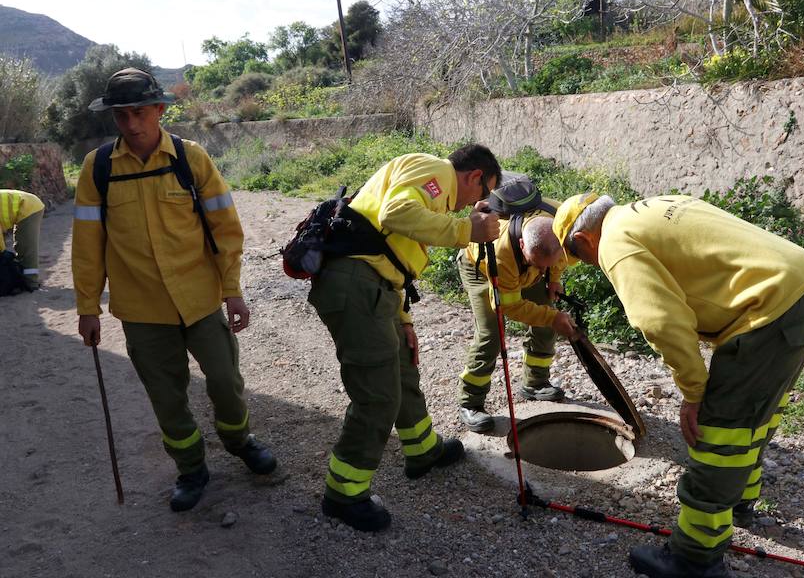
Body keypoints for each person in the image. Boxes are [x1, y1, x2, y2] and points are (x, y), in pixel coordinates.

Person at [552, 193, 804, 578]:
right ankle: (738, 501)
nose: (593, 265)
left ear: (584, 239)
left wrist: (694, 394)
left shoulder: (615, 242)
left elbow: (661, 323)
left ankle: (693, 559)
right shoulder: (651, 207)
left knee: (719, 432)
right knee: (756, 410)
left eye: (583, 259)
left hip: (769, 308)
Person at [72, 68, 277, 513]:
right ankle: (191, 468)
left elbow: (226, 228)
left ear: (160, 109)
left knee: (225, 382)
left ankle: (240, 442)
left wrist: (232, 289)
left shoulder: (191, 158)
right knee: (167, 399)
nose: (131, 123)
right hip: (142, 310)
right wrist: (87, 307)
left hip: (200, 299)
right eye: (121, 115)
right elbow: (88, 244)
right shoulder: (99, 168)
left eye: (140, 112)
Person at [308, 145, 501, 532]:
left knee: (402, 371)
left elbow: (388, 253)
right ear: (473, 176)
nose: (472, 205)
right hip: (356, 287)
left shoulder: (432, 187)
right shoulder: (434, 173)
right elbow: (395, 214)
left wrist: (404, 319)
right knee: (377, 395)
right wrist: (469, 230)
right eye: (479, 196)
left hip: (377, 289)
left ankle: (422, 451)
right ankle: (343, 494)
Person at [456, 195, 578, 433]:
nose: (542, 270)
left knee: (545, 317)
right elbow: (510, 307)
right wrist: (553, 317)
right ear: (522, 244)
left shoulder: (560, 222)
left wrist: (553, 278)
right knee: (492, 334)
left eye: (546, 265)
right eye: (539, 264)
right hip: (481, 269)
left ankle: (535, 382)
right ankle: (470, 402)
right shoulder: (500, 252)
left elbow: (556, 258)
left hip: (525, 262)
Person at [0, 189, 45, 290]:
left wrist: (2, 252)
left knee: (26, 248)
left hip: (29, 207)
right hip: (27, 204)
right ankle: (23, 279)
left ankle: (31, 283)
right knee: (20, 246)